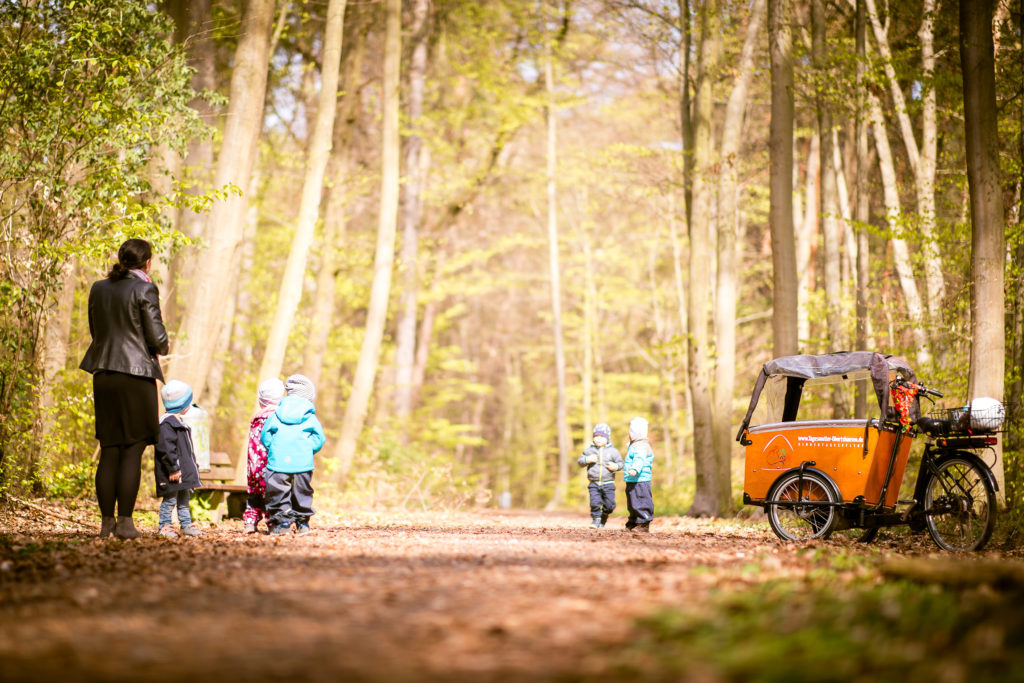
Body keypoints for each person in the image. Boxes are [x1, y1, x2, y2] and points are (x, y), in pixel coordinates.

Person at [80, 238, 169, 539]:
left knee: (109, 448)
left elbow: (97, 331)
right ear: (146, 263)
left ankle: (106, 524)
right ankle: (126, 524)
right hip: (136, 374)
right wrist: (162, 345)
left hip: (104, 372)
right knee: (132, 448)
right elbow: (157, 339)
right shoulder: (145, 288)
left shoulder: (98, 288)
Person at [261, 374, 325, 537]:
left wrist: (274, 447)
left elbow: (265, 436)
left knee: (278, 493)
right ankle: (302, 522)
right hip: (302, 463)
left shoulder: (276, 414)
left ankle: (282, 524)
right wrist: (307, 449)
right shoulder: (310, 417)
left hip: (278, 462)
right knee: (301, 492)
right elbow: (319, 438)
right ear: (309, 397)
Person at [154, 380, 204, 539]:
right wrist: (173, 468)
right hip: (173, 472)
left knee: (184, 500)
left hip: (183, 473)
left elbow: (186, 451)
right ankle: (164, 525)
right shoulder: (167, 424)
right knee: (170, 500)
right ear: (182, 405)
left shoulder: (178, 423)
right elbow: (166, 449)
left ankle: (186, 524)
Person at [243, 378, 285, 534]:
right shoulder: (279, 419)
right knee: (271, 494)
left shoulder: (256, 419)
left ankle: (250, 522)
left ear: (261, 402)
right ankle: (273, 523)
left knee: (253, 494)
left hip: (253, 466)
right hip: (270, 466)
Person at [577, 423, 623, 528]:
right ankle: (596, 520)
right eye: (596, 436)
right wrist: (587, 459)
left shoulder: (613, 451)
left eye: (601, 436)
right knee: (594, 503)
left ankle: (604, 515)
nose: (598, 439)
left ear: (607, 438)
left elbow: (621, 464)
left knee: (610, 505)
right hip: (594, 483)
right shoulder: (589, 450)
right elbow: (580, 462)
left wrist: (615, 466)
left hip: (608, 483)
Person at [622, 417, 655, 533]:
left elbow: (639, 459)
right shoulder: (633, 445)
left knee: (641, 500)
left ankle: (644, 523)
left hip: (640, 479)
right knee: (632, 503)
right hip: (632, 479)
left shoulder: (640, 446)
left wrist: (635, 469)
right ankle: (634, 521)